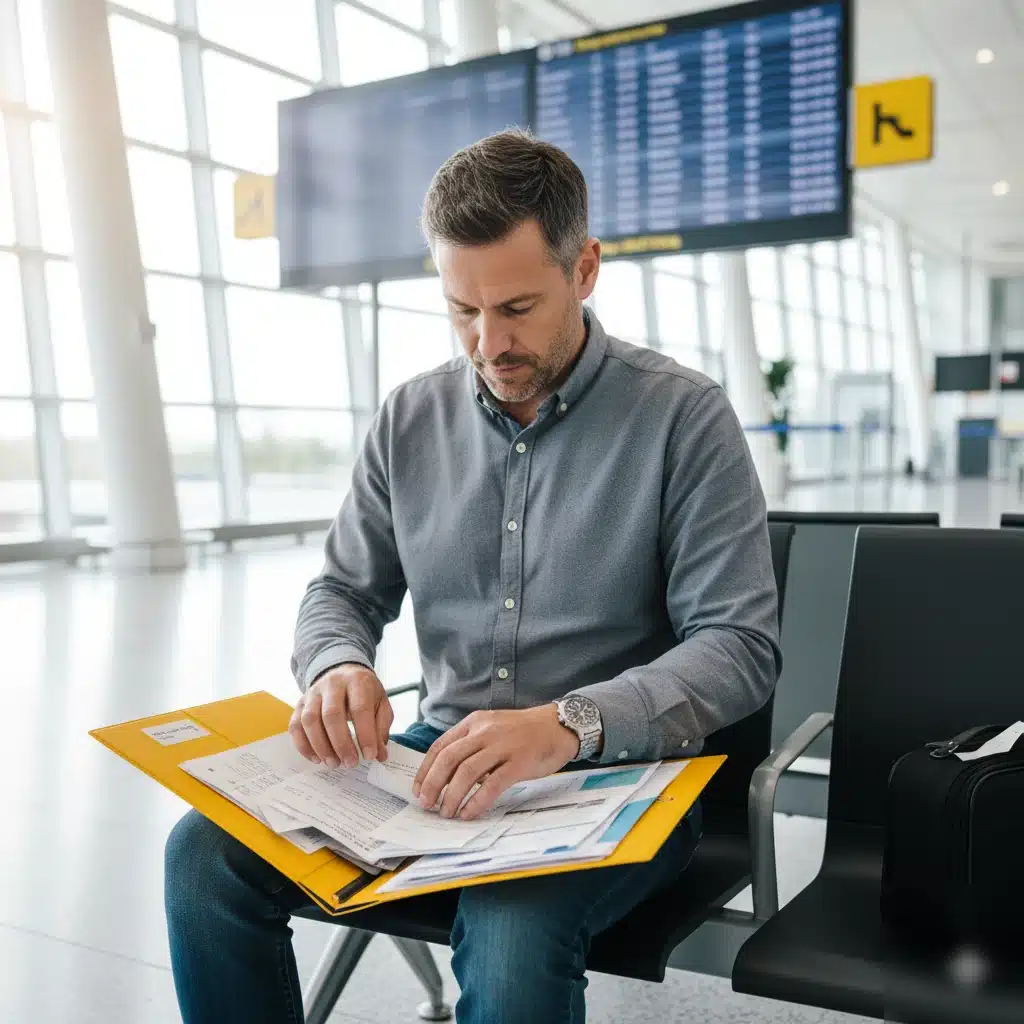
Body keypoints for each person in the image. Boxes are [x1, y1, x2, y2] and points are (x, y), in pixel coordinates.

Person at [165, 128, 781, 1024]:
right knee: (202, 854)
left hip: (617, 782)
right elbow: (341, 591)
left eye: (518, 307)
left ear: (586, 269)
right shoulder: (409, 420)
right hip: (435, 763)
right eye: (462, 310)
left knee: (512, 921)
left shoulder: (683, 418)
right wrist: (336, 663)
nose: (489, 342)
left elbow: (739, 647)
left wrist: (569, 724)